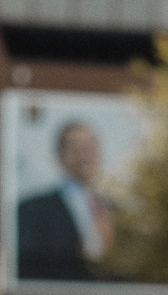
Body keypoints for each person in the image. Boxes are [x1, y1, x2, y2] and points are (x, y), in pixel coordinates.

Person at [14, 119, 115, 282]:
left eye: (90, 146)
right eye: (76, 147)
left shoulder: (116, 210)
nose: (85, 154)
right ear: (59, 156)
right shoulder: (32, 210)